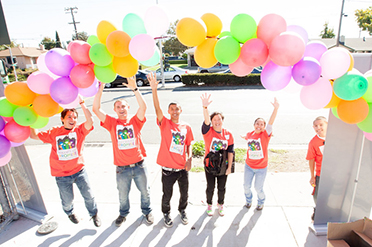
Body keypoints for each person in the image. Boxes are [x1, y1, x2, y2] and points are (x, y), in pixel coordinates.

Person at [92, 76, 153, 227]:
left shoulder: (135, 122)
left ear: (128, 108)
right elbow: (96, 109)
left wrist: (135, 89)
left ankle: (147, 211)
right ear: (115, 110)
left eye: (123, 106)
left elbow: (143, 108)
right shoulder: (112, 123)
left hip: (139, 166)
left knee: (145, 192)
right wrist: (101, 88)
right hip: (122, 169)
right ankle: (123, 213)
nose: (121, 109)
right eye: (118, 107)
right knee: (123, 195)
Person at [30, 99, 101, 227]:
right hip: (61, 175)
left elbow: (90, 121)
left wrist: (82, 103)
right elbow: (34, 136)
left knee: (89, 196)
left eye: (75, 117)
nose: (72, 119)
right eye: (69, 116)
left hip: (79, 172)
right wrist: (31, 118)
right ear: (62, 119)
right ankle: (70, 212)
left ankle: (94, 214)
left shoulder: (80, 130)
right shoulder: (54, 132)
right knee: (67, 200)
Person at [149, 72, 194, 228]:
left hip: (182, 168)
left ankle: (182, 210)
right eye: (171, 109)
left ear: (180, 110)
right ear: (169, 112)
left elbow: (189, 144)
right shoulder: (165, 123)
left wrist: (189, 158)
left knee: (184, 193)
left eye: (177, 109)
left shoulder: (186, 126)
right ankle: (166, 213)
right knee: (167, 194)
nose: (174, 111)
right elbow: (156, 108)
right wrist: (154, 89)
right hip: (168, 169)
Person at [200, 93, 234, 217]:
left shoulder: (228, 134)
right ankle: (209, 204)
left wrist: (229, 167)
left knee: (222, 187)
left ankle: (220, 204)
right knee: (210, 187)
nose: (217, 121)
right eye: (214, 120)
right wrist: (205, 108)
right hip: (210, 165)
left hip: (223, 166)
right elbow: (206, 121)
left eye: (219, 119)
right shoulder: (208, 132)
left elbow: (230, 152)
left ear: (222, 120)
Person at [242, 98, 279, 211]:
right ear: (254, 125)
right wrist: (244, 137)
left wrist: (275, 108)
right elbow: (248, 139)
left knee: (258, 188)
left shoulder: (265, 134)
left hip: (261, 168)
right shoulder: (250, 134)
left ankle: (261, 202)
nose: (259, 125)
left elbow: (271, 122)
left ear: (264, 126)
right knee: (246, 187)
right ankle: (248, 201)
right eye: (257, 123)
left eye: (261, 124)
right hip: (249, 166)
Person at [306, 116, 328, 220]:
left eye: (321, 125)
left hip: (334, 172)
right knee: (317, 195)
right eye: (315, 126)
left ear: (327, 124)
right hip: (320, 173)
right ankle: (318, 210)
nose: (318, 127)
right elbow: (311, 159)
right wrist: (312, 176)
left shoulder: (334, 137)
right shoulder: (313, 142)